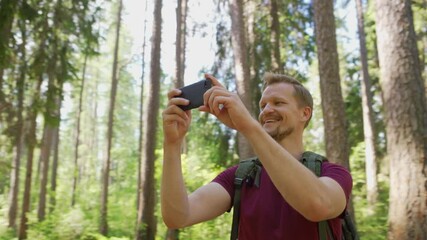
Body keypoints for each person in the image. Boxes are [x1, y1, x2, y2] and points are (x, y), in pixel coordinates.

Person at [161, 72, 353, 239]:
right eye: (263, 105)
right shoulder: (241, 176)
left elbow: (317, 205)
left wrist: (247, 125)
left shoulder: (333, 173)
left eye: (278, 103)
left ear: (305, 113)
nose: (267, 110)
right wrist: (172, 144)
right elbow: (177, 216)